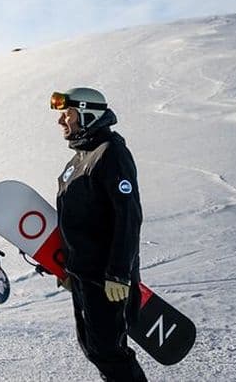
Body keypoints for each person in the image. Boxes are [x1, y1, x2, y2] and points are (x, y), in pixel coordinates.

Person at [50, 87, 148, 382]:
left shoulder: (111, 152)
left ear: (87, 113)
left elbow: (128, 216)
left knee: (108, 350)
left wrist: (119, 273)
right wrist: (64, 265)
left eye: (66, 114)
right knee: (94, 348)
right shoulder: (79, 158)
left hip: (105, 277)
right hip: (82, 273)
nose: (61, 121)